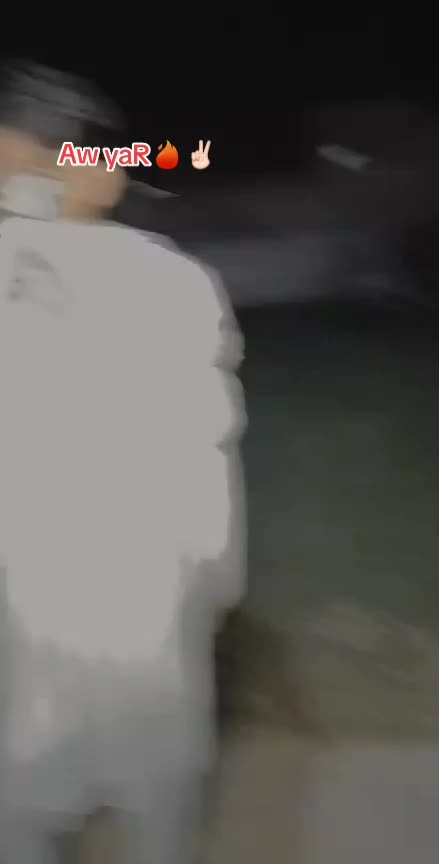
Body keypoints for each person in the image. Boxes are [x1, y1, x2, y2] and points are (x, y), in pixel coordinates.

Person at [0, 60, 246, 863]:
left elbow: (204, 452)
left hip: (102, 628)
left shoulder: (164, 280)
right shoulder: (163, 279)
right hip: (82, 630)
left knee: (103, 808)